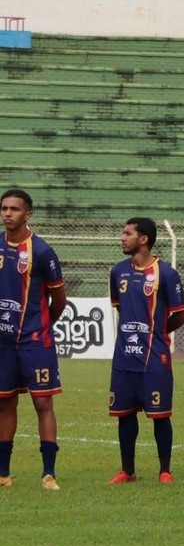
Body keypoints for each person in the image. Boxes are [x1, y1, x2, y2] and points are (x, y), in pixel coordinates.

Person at [108, 217, 184, 484]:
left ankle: (165, 470)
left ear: (143, 239)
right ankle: (127, 471)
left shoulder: (166, 273)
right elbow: (121, 306)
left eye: (127, 233)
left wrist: (158, 333)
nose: (122, 237)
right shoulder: (118, 271)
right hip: (124, 357)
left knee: (160, 416)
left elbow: (180, 315)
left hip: (155, 357)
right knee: (125, 415)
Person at [0, 189, 66, 490]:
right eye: (4, 209)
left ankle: (48, 473)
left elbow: (59, 299)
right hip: (3, 343)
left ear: (28, 214)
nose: (7, 214)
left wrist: (40, 327)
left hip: (35, 342)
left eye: (14, 209)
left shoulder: (41, 252)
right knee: (5, 404)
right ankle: (3, 473)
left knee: (43, 402)